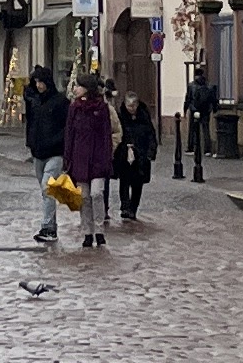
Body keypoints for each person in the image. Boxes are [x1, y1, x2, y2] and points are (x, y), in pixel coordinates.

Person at [63, 71, 117, 249]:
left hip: (98, 158)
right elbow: (69, 133)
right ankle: (87, 232)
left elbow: (106, 135)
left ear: (87, 88)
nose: (76, 89)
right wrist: (67, 158)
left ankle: (99, 230)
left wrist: (107, 158)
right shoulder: (74, 108)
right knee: (84, 197)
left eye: (79, 86)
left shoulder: (101, 108)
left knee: (96, 194)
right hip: (79, 159)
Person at [21, 61, 69, 248]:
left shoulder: (60, 102)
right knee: (46, 191)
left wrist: (59, 143)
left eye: (41, 82)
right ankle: (52, 227)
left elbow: (66, 127)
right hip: (38, 152)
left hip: (55, 152)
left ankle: (47, 227)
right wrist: (31, 143)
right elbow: (31, 124)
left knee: (47, 187)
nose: (39, 85)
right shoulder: (35, 102)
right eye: (36, 82)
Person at [118, 88, 159, 226]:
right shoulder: (121, 116)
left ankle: (133, 208)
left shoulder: (144, 117)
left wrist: (151, 152)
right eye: (129, 106)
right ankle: (124, 206)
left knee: (138, 182)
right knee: (124, 181)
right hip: (125, 153)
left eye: (133, 105)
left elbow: (151, 134)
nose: (131, 108)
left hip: (141, 154)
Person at [180, 59, 217, 182]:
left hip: (194, 110)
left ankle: (191, 147)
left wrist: (185, 110)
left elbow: (188, 98)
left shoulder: (191, 85)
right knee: (205, 130)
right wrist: (214, 110)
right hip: (205, 111)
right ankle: (207, 149)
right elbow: (213, 99)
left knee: (192, 129)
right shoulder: (209, 85)